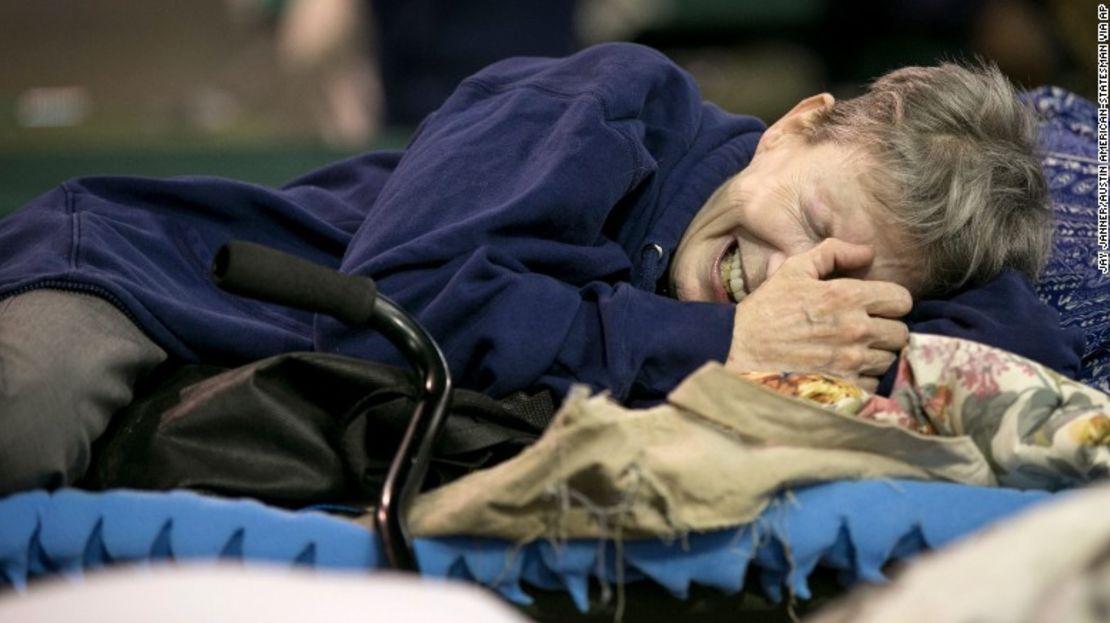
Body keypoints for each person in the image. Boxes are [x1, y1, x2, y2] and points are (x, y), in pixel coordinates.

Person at [0, 43, 1083, 495]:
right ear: (793, 127)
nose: (785, 276)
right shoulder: (611, 105)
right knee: (22, 411)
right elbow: (413, 297)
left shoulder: (827, 297)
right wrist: (725, 348)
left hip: (269, 398)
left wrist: (902, 297)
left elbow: (1033, 353)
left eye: (838, 269)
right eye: (806, 216)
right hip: (157, 291)